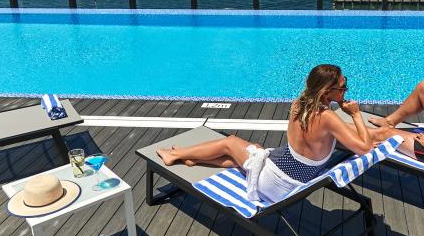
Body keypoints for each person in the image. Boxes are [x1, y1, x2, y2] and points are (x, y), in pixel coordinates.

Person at [156, 64, 377, 203]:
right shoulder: (328, 118)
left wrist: (357, 120)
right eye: (342, 87)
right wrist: (356, 115)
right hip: (286, 182)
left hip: (279, 181)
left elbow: (355, 142)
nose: (345, 90)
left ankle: (184, 155)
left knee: (240, 145)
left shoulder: (298, 105)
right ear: (326, 91)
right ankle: (178, 156)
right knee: (240, 146)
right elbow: (365, 147)